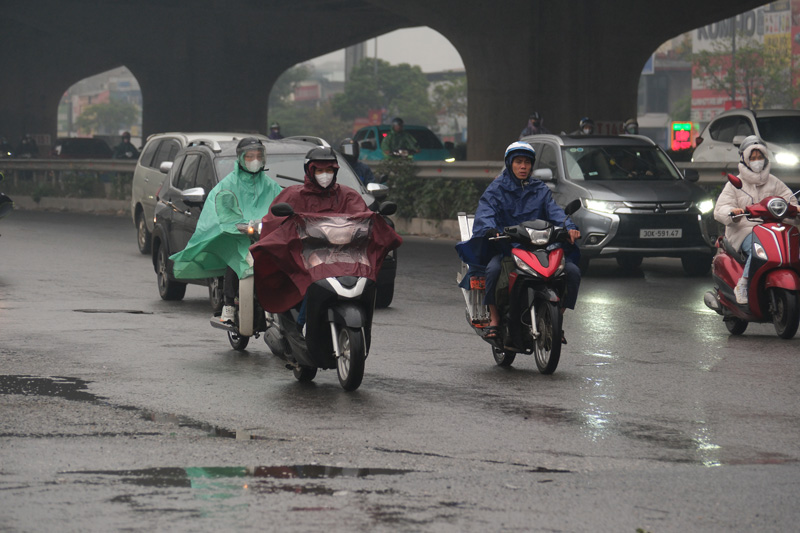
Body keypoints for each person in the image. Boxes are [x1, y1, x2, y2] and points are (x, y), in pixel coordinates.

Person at [251, 146, 401, 331]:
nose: (325, 175)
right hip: (306, 257)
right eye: (320, 170)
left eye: (329, 170)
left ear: (335, 171)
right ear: (309, 170)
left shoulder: (348, 195)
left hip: (346, 255)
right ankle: (302, 325)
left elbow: (364, 218)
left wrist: (376, 221)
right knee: (311, 282)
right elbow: (274, 224)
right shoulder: (293, 195)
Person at [468, 141, 581, 343]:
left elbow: (554, 211)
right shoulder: (497, 188)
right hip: (507, 246)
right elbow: (485, 213)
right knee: (493, 271)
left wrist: (569, 228)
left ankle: (557, 318)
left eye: (527, 163)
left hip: (541, 246)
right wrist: (490, 230)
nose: (523, 167)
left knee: (571, 271)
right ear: (510, 163)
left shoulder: (540, 189)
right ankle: (494, 319)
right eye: (518, 162)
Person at [169, 137, 282, 323]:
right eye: (250, 156)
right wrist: (231, 224)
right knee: (234, 257)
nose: (255, 160)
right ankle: (229, 303)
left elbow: (281, 206)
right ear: (241, 158)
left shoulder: (271, 186)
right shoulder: (227, 185)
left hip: (263, 238)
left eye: (258, 156)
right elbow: (217, 208)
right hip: (237, 235)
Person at [714, 135, 799, 304]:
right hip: (744, 229)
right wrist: (733, 212)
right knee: (757, 249)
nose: (757, 161)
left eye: (760, 157)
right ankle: (743, 284)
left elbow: (791, 201)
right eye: (752, 158)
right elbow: (720, 209)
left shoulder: (775, 182)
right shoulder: (735, 184)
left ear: (766, 158)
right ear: (745, 160)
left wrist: (795, 209)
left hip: (774, 229)